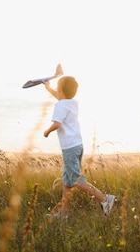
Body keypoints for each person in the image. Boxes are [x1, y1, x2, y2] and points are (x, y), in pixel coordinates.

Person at [43, 76, 115, 218]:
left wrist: (47, 131)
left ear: (61, 90)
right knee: (68, 182)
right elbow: (61, 97)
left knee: (76, 180)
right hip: (77, 145)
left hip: (69, 148)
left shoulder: (60, 105)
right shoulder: (73, 103)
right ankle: (63, 215)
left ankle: (105, 199)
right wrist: (48, 87)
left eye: (58, 88)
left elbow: (57, 123)